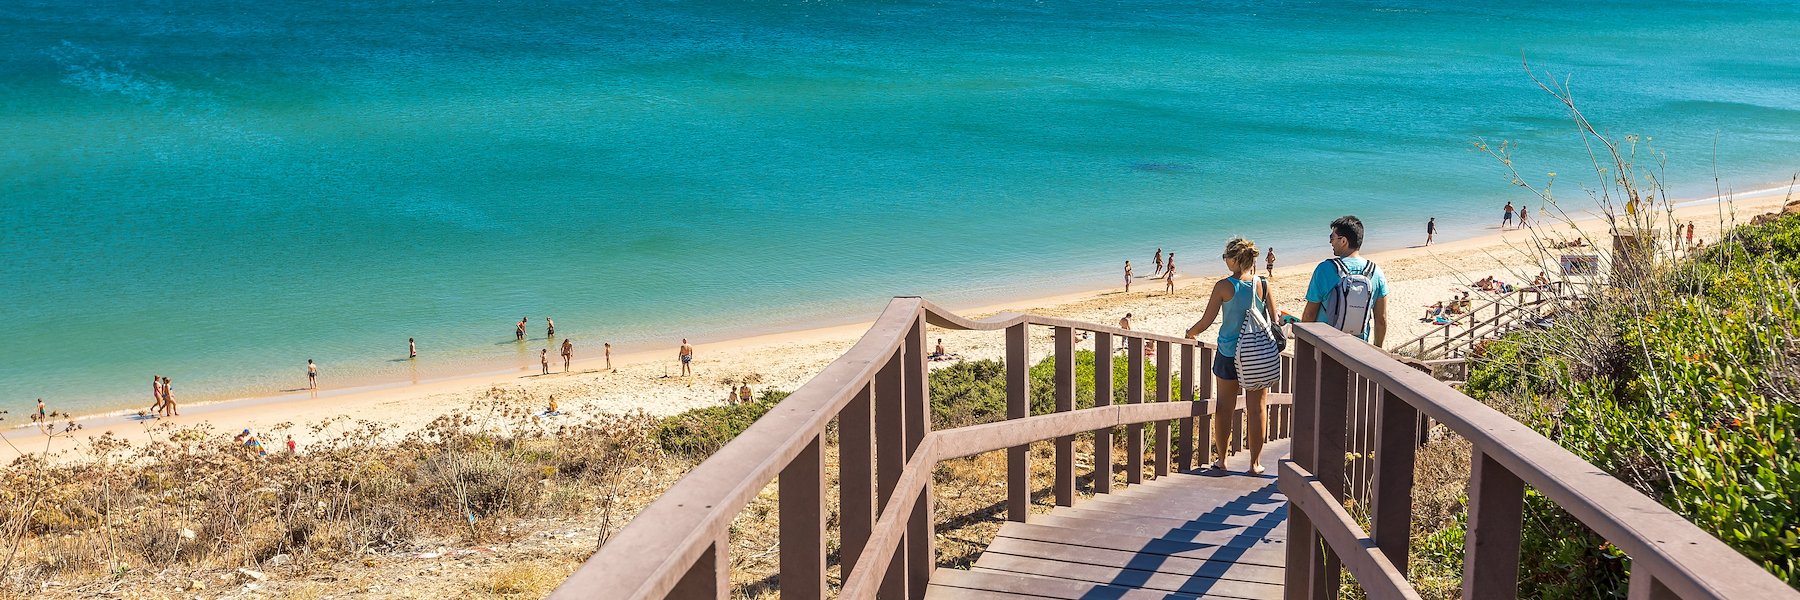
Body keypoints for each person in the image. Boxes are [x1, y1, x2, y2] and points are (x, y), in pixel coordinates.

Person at [1183, 237, 1277, 474]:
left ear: (1234, 260)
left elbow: (1207, 321)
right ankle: (1255, 464)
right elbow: (1274, 322)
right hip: (1256, 354)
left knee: (1225, 406)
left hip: (1228, 353)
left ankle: (1222, 460)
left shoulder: (1224, 286)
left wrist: (1190, 333)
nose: (1225, 260)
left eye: (1226, 257)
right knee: (1257, 408)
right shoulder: (1263, 285)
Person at [1303, 216, 1390, 346]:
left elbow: (1310, 314)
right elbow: (1381, 320)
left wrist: (1305, 344)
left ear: (1343, 241)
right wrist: (1377, 350)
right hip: (1358, 348)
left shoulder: (1325, 269)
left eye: (1332, 237)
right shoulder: (1376, 272)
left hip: (1327, 345)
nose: (1330, 242)